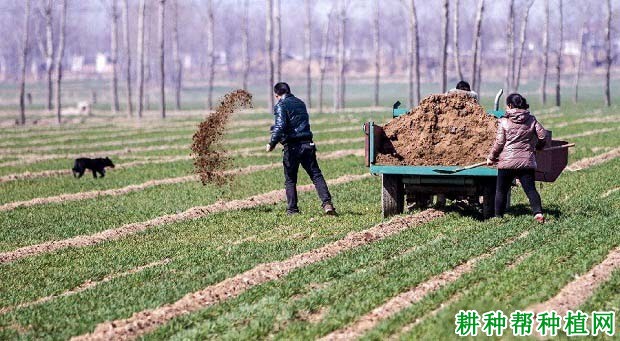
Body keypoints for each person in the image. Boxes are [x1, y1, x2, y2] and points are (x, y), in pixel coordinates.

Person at [266, 82, 336, 215]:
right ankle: (327, 204)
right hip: (307, 144)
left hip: (293, 147)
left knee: (290, 179)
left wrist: (272, 143)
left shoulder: (281, 105)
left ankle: (292, 210)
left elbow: (280, 126)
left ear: (276, 95)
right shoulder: (300, 103)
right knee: (316, 175)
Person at [487, 93, 548, 223]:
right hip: (526, 162)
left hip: (507, 162)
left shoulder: (504, 121)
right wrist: (538, 147)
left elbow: (499, 142)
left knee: (501, 191)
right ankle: (538, 213)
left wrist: (491, 157)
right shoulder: (531, 119)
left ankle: (498, 217)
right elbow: (543, 136)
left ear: (509, 105)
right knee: (530, 190)